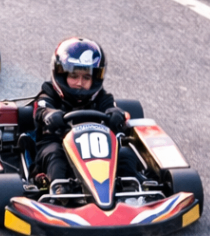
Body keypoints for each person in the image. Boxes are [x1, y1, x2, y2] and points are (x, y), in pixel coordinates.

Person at [30, 37, 141, 187]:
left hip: (98, 151)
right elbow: (42, 108)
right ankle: (59, 190)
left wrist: (116, 113)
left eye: (86, 77)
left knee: (125, 154)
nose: (79, 83)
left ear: (95, 79)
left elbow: (110, 107)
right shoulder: (49, 94)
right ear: (62, 75)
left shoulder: (101, 97)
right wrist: (50, 114)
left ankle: (131, 190)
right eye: (74, 76)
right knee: (54, 154)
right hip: (59, 146)